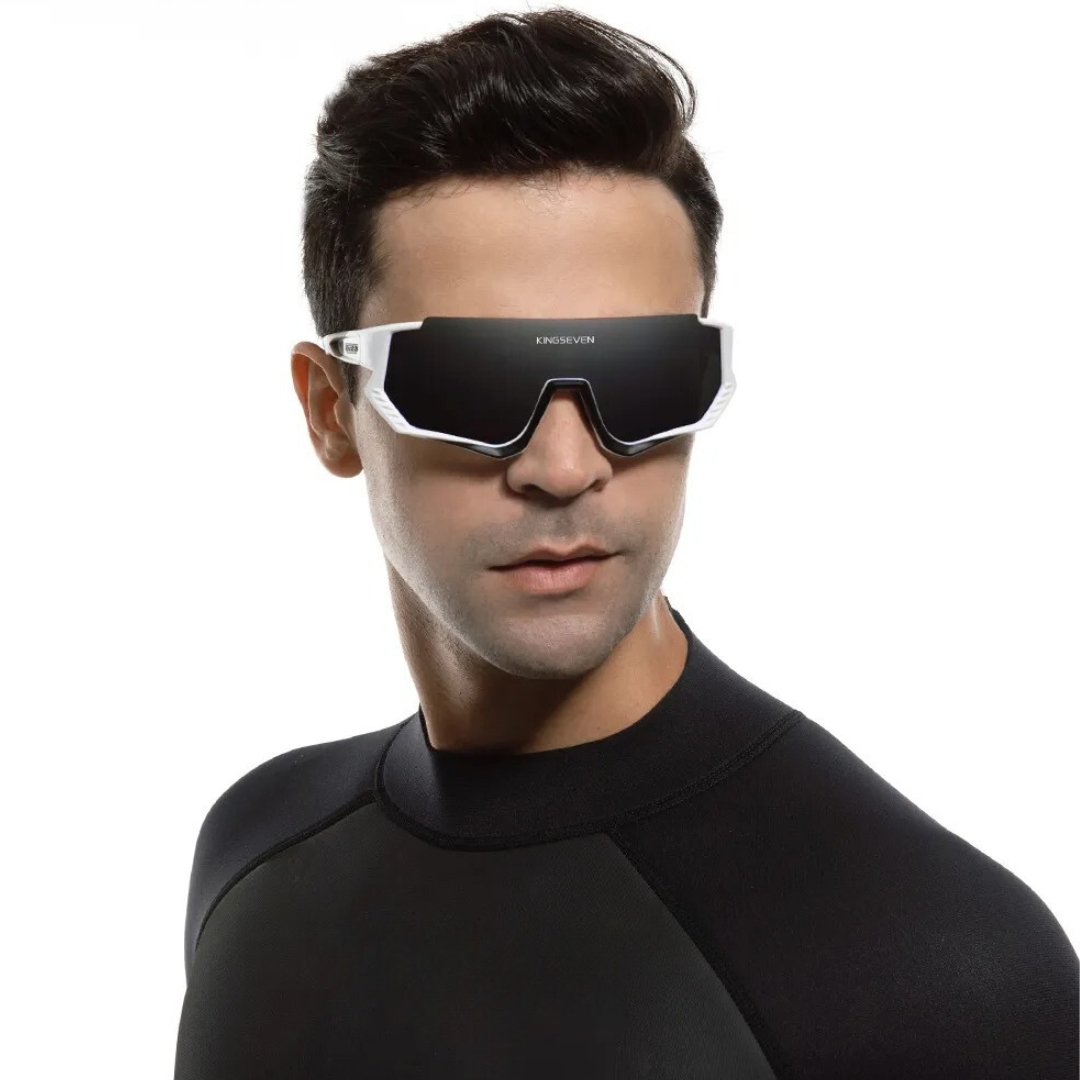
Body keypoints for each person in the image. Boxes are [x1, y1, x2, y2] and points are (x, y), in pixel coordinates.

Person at [173, 9, 1078, 1078]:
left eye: (644, 376)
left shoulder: (944, 970)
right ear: (332, 411)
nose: (565, 466)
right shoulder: (254, 854)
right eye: (472, 381)